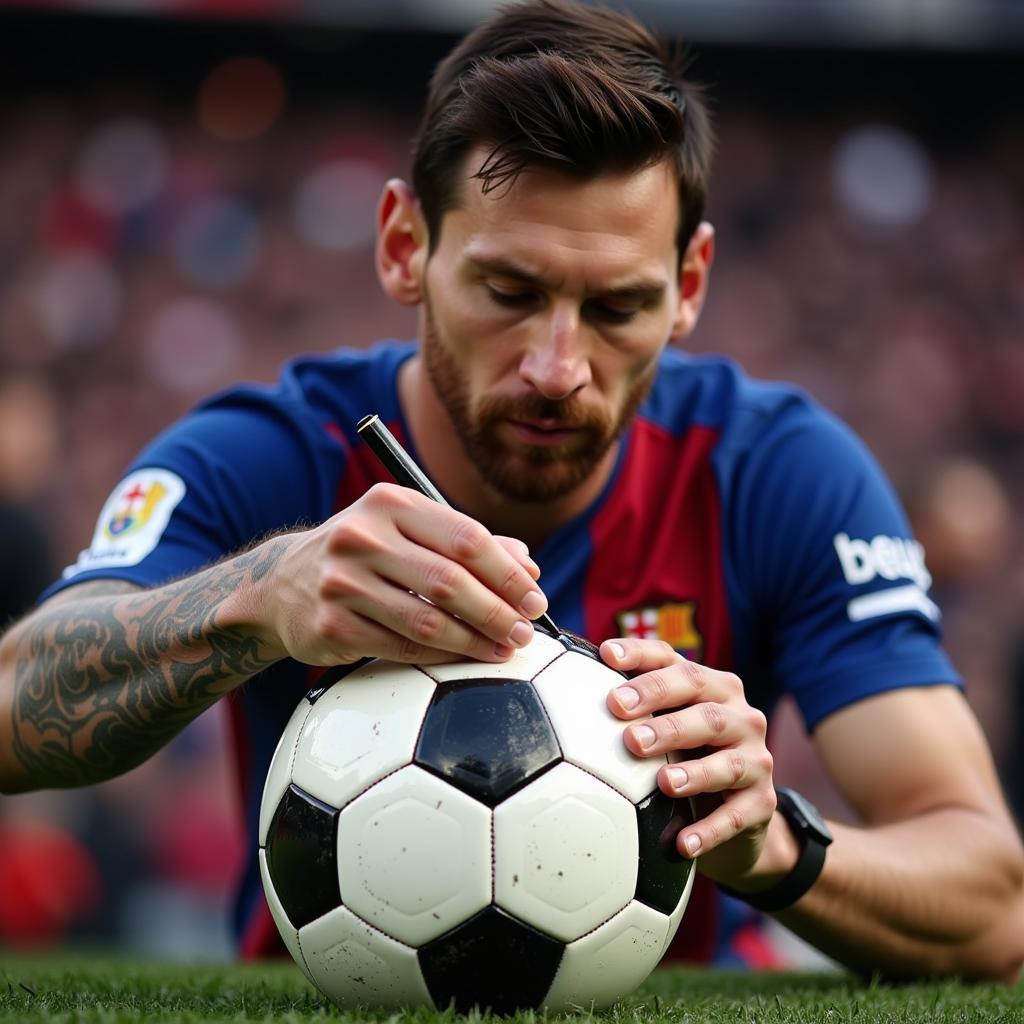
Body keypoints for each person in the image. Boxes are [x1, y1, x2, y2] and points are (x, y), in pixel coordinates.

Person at [1, 0, 1022, 981]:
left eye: (619, 305)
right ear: (406, 246)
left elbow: (994, 900)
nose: (557, 365)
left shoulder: (776, 472)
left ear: (691, 284)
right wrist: (257, 596)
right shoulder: (265, 454)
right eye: (510, 292)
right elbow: (15, 706)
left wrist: (776, 847)